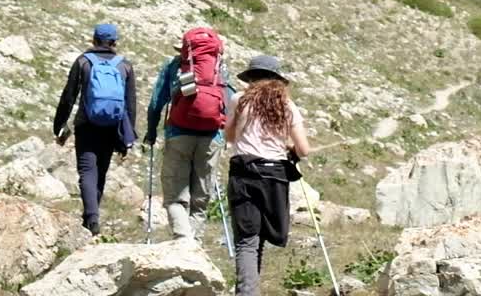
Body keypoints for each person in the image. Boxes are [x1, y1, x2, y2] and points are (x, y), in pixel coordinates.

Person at [225, 54, 311, 296]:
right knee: (259, 236)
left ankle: (246, 291)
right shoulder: (286, 106)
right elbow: (304, 150)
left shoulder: (238, 100)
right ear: (277, 79)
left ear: (250, 78)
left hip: (243, 173)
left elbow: (230, 137)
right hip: (274, 176)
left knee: (247, 239)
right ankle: (248, 290)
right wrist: (288, 149)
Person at [144, 26, 232, 241]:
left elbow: (157, 102)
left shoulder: (175, 66)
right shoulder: (219, 67)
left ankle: (183, 238)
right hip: (212, 137)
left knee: (175, 194)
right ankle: (194, 241)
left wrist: (151, 132)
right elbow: (228, 100)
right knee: (201, 196)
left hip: (178, 133)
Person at [53, 23, 137, 236]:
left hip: (86, 124)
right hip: (112, 126)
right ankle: (91, 218)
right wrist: (128, 136)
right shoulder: (124, 66)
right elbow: (130, 104)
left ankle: (91, 218)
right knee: (101, 171)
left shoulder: (83, 62)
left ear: (93, 40)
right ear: (114, 42)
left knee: (87, 170)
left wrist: (60, 124)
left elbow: (68, 96)